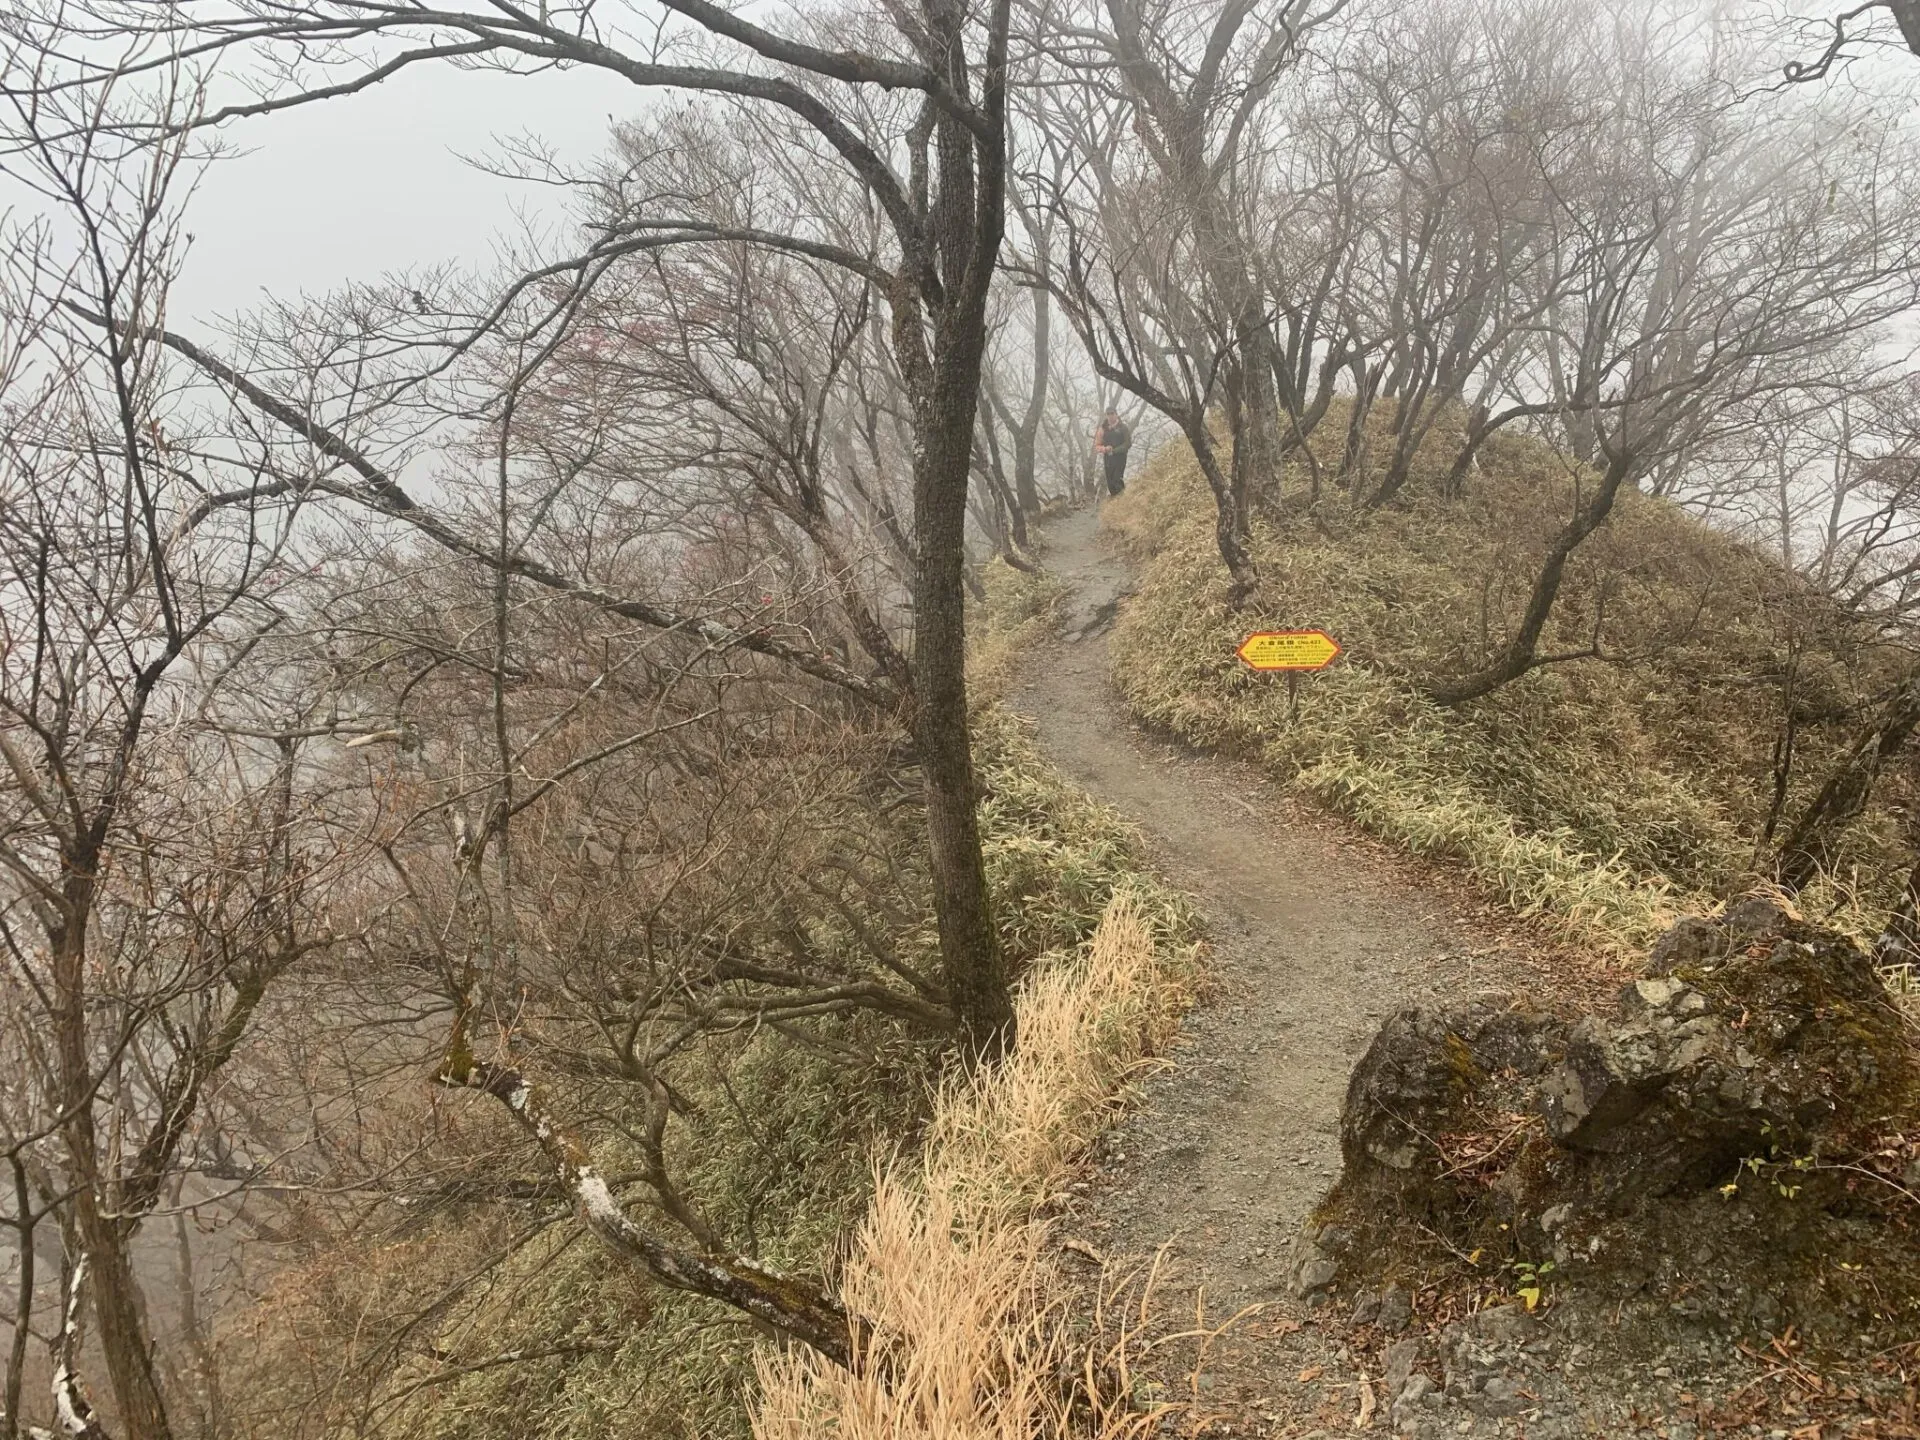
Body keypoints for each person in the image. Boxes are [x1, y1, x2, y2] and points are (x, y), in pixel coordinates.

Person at [1093, 406, 1132, 497]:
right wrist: (1105, 449)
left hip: (1120, 457)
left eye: (1112, 414)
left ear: (1116, 414)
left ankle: (1122, 500)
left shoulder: (1123, 427)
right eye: (1108, 414)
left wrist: (1115, 450)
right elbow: (1097, 445)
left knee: (1117, 479)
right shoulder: (1102, 429)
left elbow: (1128, 443)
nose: (1110, 416)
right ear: (1106, 415)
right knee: (1110, 482)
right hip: (1108, 458)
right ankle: (1115, 501)